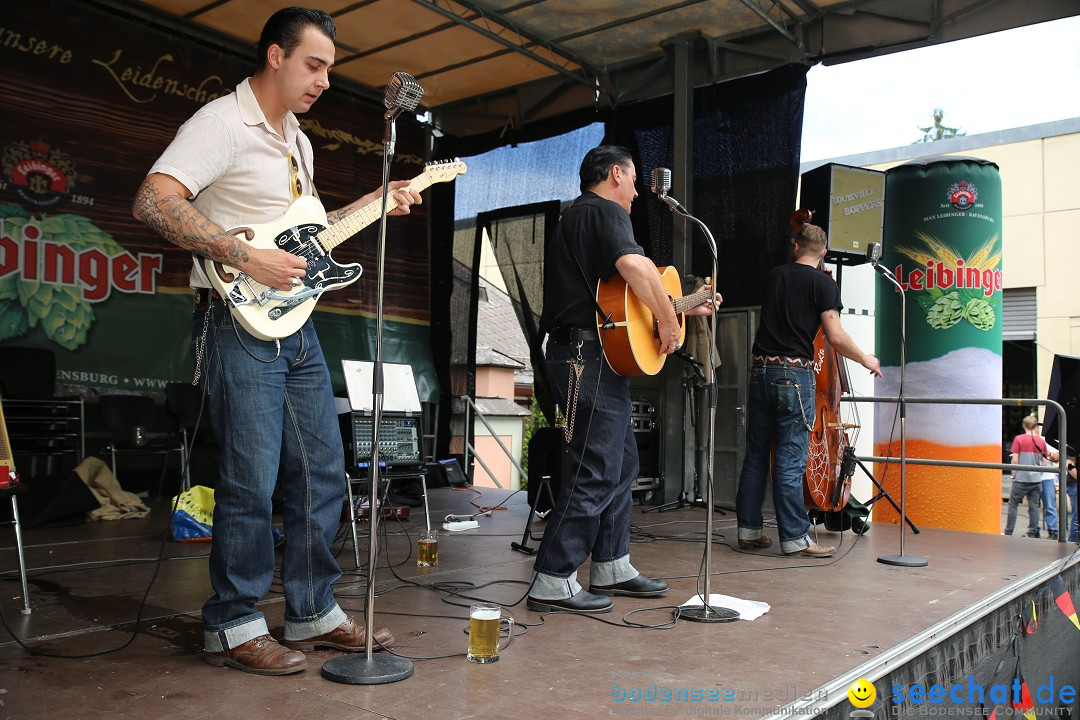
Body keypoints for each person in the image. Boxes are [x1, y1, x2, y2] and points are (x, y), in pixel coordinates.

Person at [132, 7, 422, 675]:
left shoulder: (298, 140)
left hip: (295, 325)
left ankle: (314, 609)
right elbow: (153, 199)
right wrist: (240, 256)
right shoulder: (221, 123)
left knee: (322, 471)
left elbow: (305, 232)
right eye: (313, 65)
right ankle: (232, 624)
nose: (323, 80)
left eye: (328, 69)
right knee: (250, 479)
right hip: (235, 321)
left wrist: (382, 199)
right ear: (275, 56)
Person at [529, 145, 721, 613]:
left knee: (621, 463)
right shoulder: (605, 211)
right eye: (633, 181)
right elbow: (635, 268)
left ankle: (612, 562)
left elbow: (619, 303)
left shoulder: (580, 218)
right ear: (615, 174)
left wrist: (678, 307)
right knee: (595, 466)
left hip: (589, 354)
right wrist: (673, 324)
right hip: (584, 356)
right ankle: (553, 577)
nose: (636, 192)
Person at [735, 212, 882, 558]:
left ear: (796, 245)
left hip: (760, 372)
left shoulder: (774, 277)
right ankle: (795, 539)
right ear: (825, 253)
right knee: (789, 461)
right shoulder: (822, 284)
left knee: (756, 456)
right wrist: (866, 360)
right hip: (794, 375)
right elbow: (834, 336)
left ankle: (749, 531)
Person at [1004, 415, 1050, 538]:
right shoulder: (1041, 442)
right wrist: (1037, 474)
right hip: (1036, 480)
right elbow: (1045, 463)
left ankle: (1009, 531)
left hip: (1021, 478)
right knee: (1034, 506)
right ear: (1035, 426)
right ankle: (1032, 531)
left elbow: (1015, 460)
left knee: (1013, 504)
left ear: (1024, 425)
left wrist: (1014, 475)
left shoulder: (1019, 439)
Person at [1036, 423, 1060, 540]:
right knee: (1033, 506)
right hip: (1033, 478)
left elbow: (1058, 456)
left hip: (1046, 478)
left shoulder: (1045, 441)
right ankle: (1034, 529)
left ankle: (1053, 531)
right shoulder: (1026, 439)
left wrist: (1047, 454)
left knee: (1049, 505)